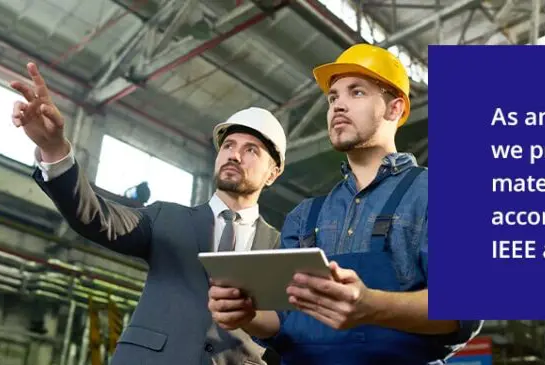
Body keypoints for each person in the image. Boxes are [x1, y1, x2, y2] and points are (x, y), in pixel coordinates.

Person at [207, 44, 482, 364]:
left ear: (394, 109)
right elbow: (282, 323)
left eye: (357, 92)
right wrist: (245, 314)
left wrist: (371, 306)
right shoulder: (304, 216)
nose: (338, 105)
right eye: (333, 97)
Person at [9, 62, 288, 365]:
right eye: (229, 145)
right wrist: (54, 150)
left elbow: (292, 330)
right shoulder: (165, 218)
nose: (234, 154)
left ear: (273, 173)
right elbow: (95, 217)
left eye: (251, 150)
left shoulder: (283, 246)